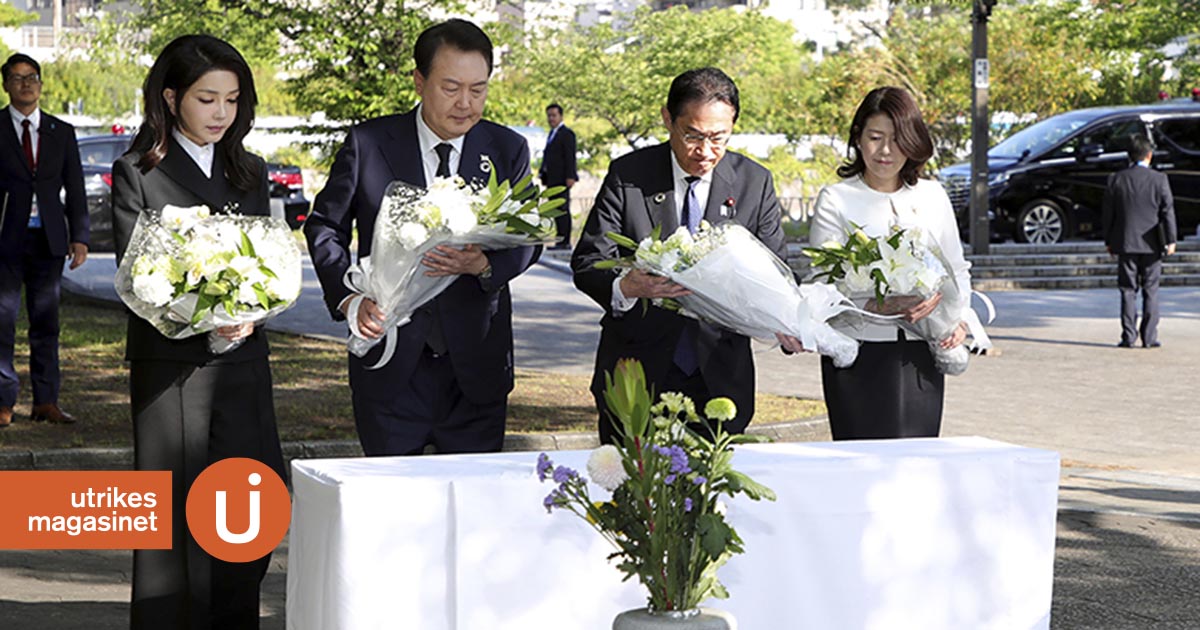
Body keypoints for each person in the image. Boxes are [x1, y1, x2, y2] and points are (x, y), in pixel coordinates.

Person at [111, 35, 285, 629]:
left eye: (232, 100)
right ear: (171, 96)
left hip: (241, 366)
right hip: (172, 370)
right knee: (172, 529)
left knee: (245, 517)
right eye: (207, 98)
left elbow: (269, 262)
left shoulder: (250, 170)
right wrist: (205, 315)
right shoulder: (137, 171)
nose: (220, 113)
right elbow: (138, 278)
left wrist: (252, 310)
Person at [305, 19, 538, 456]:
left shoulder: (508, 149)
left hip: (476, 367)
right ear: (419, 81)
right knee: (393, 509)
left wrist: (484, 265)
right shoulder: (369, 143)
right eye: (451, 88)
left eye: (478, 89)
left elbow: (530, 236)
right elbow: (325, 227)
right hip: (390, 359)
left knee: (471, 509)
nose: (466, 104)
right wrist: (349, 299)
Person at [572, 67, 796, 443]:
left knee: (712, 497)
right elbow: (589, 261)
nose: (705, 151)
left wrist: (785, 318)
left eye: (718, 138)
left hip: (720, 377)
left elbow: (779, 273)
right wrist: (626, 287)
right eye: (692, 135)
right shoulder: (630, 176)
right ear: (667, 119)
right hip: (636, 372)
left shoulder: (753, 182)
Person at [808, 86, 975, 440]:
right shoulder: (836, 199)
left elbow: (957, 269)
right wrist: (878, 306)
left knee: (915, 466)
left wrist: (958, 319)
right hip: (859, 354)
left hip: (921, 355)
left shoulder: (932, 196)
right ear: (858, 137)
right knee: (860, 466)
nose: (886, 151)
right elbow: (822, 285)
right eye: (875, 137)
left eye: (898, 139)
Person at [0, 53, 88, 428]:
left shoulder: (61, 132)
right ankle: (3, 402)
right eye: (17, 78)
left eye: (32, 77)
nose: (26, 84)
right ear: (6, 85)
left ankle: (46, 401)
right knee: (2, 321)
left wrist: (80, 237)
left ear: (41, 83)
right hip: (5, 240)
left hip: (49, 240)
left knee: (46, 323)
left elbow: (76, 188)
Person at [1102, 134, 1177, 349]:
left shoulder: (1116, 179)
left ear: (1129, 156)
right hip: (1153, 243)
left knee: (1127, 289)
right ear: (1149, 155)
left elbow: (1108, 215)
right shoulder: (1159, 179)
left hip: (1125, 242)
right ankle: (1149, 337)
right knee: (1151, 289)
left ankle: (1128, 336)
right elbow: (1167, 212)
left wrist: (1108, 240)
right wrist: (1171, 240)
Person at [538, 102, 577, 248]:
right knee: (554, 209)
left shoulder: (566, 134)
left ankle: (564, 241)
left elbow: (570, 157)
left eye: (554, 115)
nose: (551, 119)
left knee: (562, 209)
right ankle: (559, 239)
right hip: (552, 179)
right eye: (549, 116)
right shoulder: (551, 134)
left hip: (562, 179)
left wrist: (571, 176)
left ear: (561, 116)